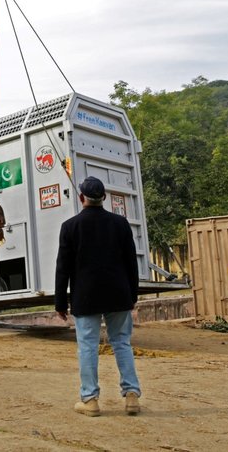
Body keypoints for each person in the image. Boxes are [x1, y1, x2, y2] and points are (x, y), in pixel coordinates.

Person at [55, 176, 142, 417]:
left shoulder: (70, 227)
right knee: (122, 343)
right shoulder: (121, 224)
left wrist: (60, 302)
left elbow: (63, 268)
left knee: (88, 347)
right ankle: (132, 395)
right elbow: (130, 264)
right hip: (119, 294)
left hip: (86, 297)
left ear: (81, 197)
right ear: (104, 198)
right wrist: (132, 295)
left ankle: (90, 400)